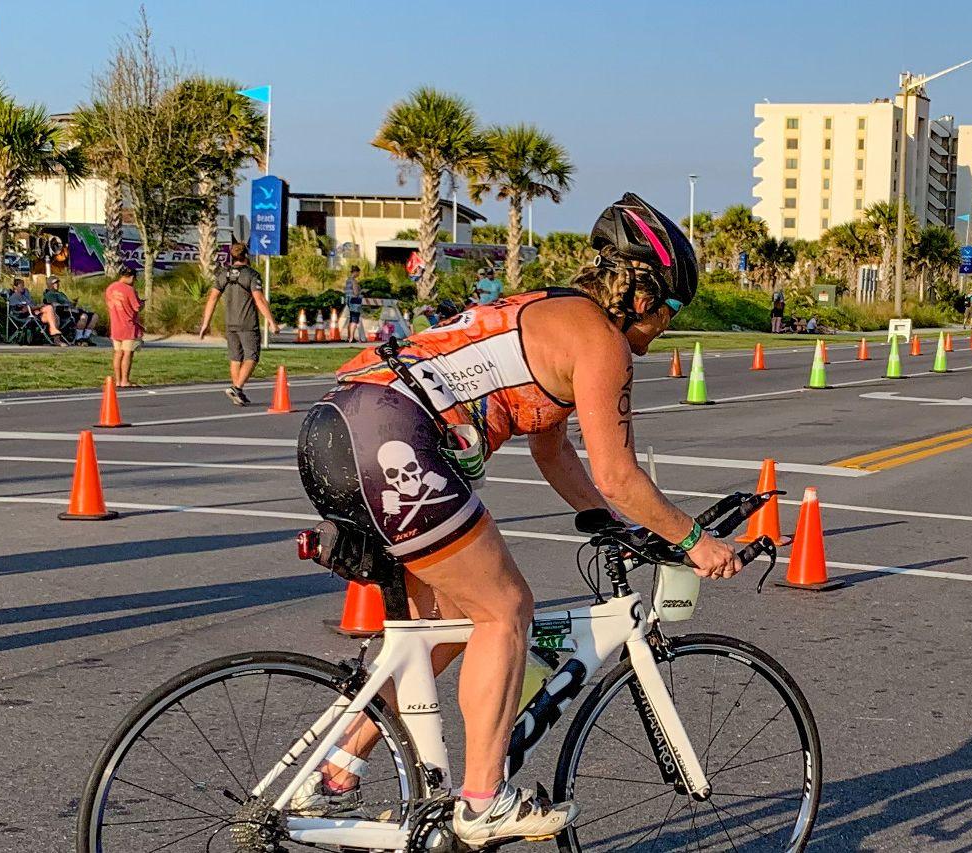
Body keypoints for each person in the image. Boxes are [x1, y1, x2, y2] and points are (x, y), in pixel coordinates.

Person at [293, 193, 736, 845]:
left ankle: (334, 771)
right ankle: (482, 800)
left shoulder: (549, 311)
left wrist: (608, 522)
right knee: (505, 608)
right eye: (671, 310)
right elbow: (619, 472)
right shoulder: (600, 339)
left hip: (339, 424)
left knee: (440, 628)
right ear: (642, 294)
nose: (667, 326)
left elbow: (552, 446)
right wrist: (695, 541)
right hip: (388, 437)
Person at [196, 246, 278, 406]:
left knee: (235, 357)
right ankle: (237, 387)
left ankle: (237, 392)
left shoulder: (223, 274)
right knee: (251, 356)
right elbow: (259, 299)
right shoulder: (251, 275)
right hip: (247, 323)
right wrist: (271, 321)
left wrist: (205, 323)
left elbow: (212, 298)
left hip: (230, 323)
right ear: (246, 255)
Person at [104, 265, 144, 387]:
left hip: (115, 324)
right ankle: (125, 380)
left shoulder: (110, 288)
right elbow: (137, 307)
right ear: (131, 277)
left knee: (117, 353)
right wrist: (142, 303)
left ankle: (117, 380)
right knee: (127, 353)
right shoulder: (129, 289)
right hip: (128, 325)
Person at [41, 276, 97, 345]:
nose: (57, 284)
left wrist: (73, 303)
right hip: (64, 312)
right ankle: (78, 338)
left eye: (58, 282)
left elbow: (68, 303)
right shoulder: (50, 294)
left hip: (71, 310)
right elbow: (54, 305)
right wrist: (68, 306)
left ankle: (86, 337)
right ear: (49, 284)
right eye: (55, 283)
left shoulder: (61, 294)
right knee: (84, 316)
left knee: (94, 316)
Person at [341, 270, 365, 342]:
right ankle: (351, 338)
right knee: (355, 319)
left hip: (349, 300)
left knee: (351, 319)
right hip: (355, 300)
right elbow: (356, 292)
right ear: (355, 272)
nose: (359, 274)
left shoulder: (347, 280)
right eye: (358, 272)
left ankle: (349, 337)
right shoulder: (353, 281)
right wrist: (362, 291)